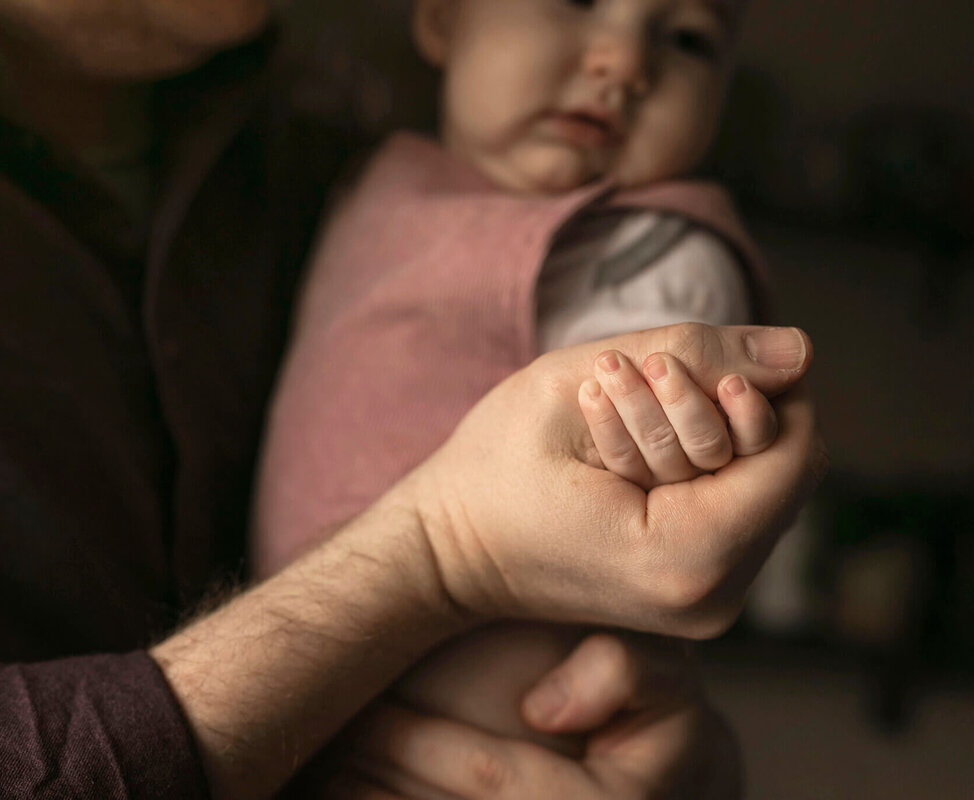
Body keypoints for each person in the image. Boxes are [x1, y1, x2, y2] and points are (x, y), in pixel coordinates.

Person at [0, 1, 824, 799]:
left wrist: (678, 760)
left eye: (688, 38)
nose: (622, 62)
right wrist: (431, 556)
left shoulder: (315, 128)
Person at [252, 0, 796, 773]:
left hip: (482, 746)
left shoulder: (655, 252)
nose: (626, 63)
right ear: (442, 18)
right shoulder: (371, 183)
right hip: (297, 712)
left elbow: (653, 504)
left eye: (687, 40)